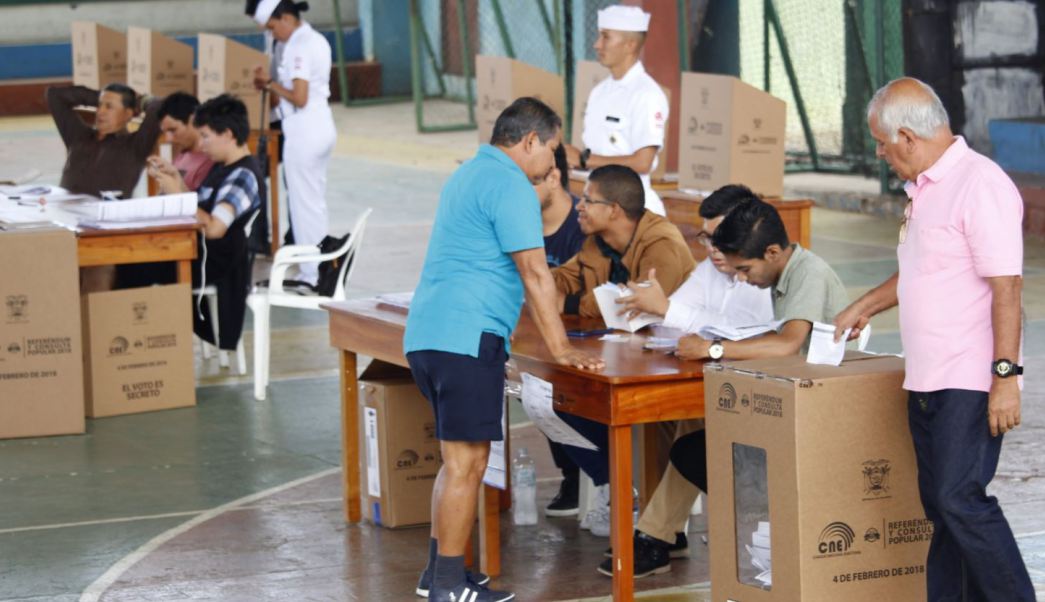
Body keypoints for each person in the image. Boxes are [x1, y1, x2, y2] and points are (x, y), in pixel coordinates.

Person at [833, 77, 1035, 602]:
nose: (879, 154)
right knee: (940, 510)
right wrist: (866, 304)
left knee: (959, 499)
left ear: (906, 136)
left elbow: (1007, 288)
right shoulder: (924, 190)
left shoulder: (979, 184)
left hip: (968, 375)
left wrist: (1005, 379)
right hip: (925, 374)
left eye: (880, 143)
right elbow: (922, 271)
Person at [404, 97, 604, 602]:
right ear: (530, 140)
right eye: (553, 150)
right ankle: (448, 587)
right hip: (466, 337)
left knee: (457, 463)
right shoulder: (512, 184)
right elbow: (535, 273)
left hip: (430, 335)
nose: (553, 164)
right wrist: (560, 351)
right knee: (468, 464)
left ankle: (440, 572)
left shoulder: (468, 174)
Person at [144, 95, 265, 351]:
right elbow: (202, 205)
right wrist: (176, 178)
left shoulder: (242, 176)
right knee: (132, 266)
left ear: (228, 134)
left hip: (216, 263)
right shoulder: (222, 168)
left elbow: (214, 228)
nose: (202, 143)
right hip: (199, 255)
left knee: (131, 270)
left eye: (206, 136)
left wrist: (178, 194)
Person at [676, 197, 849, 361]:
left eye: (745, 269)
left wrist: (710, 348)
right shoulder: (781, 272)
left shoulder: (809, 273)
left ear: (772, 253)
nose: (742, 278)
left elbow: (788, 346)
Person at [252, 0, 334, 286]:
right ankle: (317, 268)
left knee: (304, 205)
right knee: (313, 202)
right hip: (320, 124)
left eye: (274, 28)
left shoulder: (299, 45)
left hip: (304, 129)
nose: (274, 35)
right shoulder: (318, 39)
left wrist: (268, 83)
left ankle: (312, 274)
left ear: (286, 18)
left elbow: (299, 96)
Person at [563, 5, 669, 216]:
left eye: (605, 37)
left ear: (630, 45)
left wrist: (583, 160)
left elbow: (643, 162)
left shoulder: (646, 94)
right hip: (598, 204)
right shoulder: (599, 92)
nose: (597, 44)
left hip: (633, 208)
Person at [552, 164, 695, 318]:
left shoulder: (662, 242)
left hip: (675, 337)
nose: (578, 206)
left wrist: (570, 304)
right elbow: (563, 279)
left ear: (614, 209)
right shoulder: (599, 239)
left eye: (587, 200)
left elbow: (640, 302)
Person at [533, 142, 586, 517]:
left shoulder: (582, 224)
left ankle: (588, 475)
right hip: (535, 332)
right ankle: (574, 472)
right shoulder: (520, 219)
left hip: (586, 335)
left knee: (559, 380)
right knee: (527, 383)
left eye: (529, 181)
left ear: (554, 177)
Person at [46, 82, 161, 200]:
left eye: (109, 107)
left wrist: (141, 101)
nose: (100, 112)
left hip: (106, 214)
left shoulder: (136, 145)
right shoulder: (78, 136)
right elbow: (55, 96)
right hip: (65, 212)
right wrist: (101, 96)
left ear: (128, 114)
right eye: (99, 105)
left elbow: (159, 107)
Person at [157, 92, 213, 191]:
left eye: (173, 130)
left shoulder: (210, 161)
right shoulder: (181, 154)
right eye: (165, 132)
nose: (168, 139)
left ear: (193, 120)